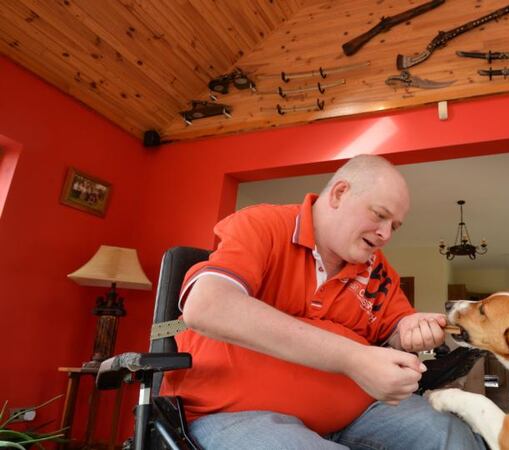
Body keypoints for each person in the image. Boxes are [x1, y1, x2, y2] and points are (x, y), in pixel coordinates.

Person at [162, 155, 485, 450]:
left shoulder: (377, 269)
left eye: (394, 226)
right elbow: (207, 306)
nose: (386, 234)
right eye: (380, 215)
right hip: (235, 413)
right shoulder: (262, 225)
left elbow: (397, 325)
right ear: (340, 193)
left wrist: (411, 328)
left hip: (359, 412)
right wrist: (354, 359)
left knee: (450, 435)